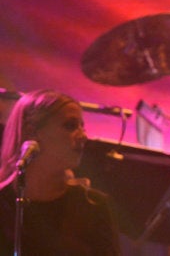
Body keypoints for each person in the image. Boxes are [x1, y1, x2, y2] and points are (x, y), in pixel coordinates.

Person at [0, 89, 120, 255]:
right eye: (70, 126)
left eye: (81, 126)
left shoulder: (92, 205)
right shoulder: (3, 203)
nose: (83, 136)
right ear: (31, 131)